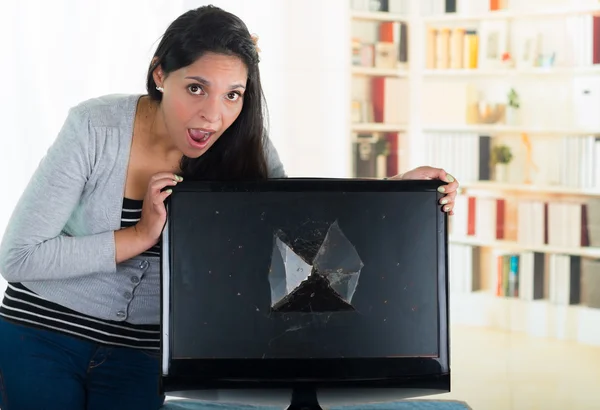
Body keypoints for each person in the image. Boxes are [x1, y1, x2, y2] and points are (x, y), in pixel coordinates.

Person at [0, 5, 459, 410]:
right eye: (196, 88)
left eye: (232, 94)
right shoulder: (94, 127)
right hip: (42, 332)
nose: (213, 115)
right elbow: (17, 257)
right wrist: (138, 237)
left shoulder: (243, 142)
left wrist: (399, 194)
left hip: (142, 351)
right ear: (160, 74)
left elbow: (300, 229)